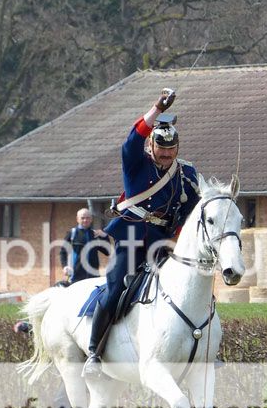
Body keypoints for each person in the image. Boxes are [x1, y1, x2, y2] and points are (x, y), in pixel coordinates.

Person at [82, 88, 202, 377]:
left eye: (171, 151)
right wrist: (157, 108)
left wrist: (180, 241)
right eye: (161, 151)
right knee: (115, 288)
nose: (165, 156)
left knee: (194, 285)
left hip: (164, 242)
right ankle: (94, 352)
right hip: (132, 237)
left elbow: (192, 212)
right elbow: (133, 136)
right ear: (152, 147)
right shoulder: (136, 164)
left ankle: (205, 347)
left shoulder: (187, 175)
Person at [13, 320, 74, 408]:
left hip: (87, 369)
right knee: (61, 400)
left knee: (64, 401)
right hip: (76, 370)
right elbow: (54, 331)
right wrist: (28, 328)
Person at [60, 208, 110, 283]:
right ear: (77, 219)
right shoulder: (72, 233)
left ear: (91, 219)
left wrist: (105, 237)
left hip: (93, 275)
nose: (85, 220)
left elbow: (107, 252)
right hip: (76, 275)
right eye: (82, 218)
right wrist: (65, 266)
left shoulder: (95, 234)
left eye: (88, 218)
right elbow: (63, 251)